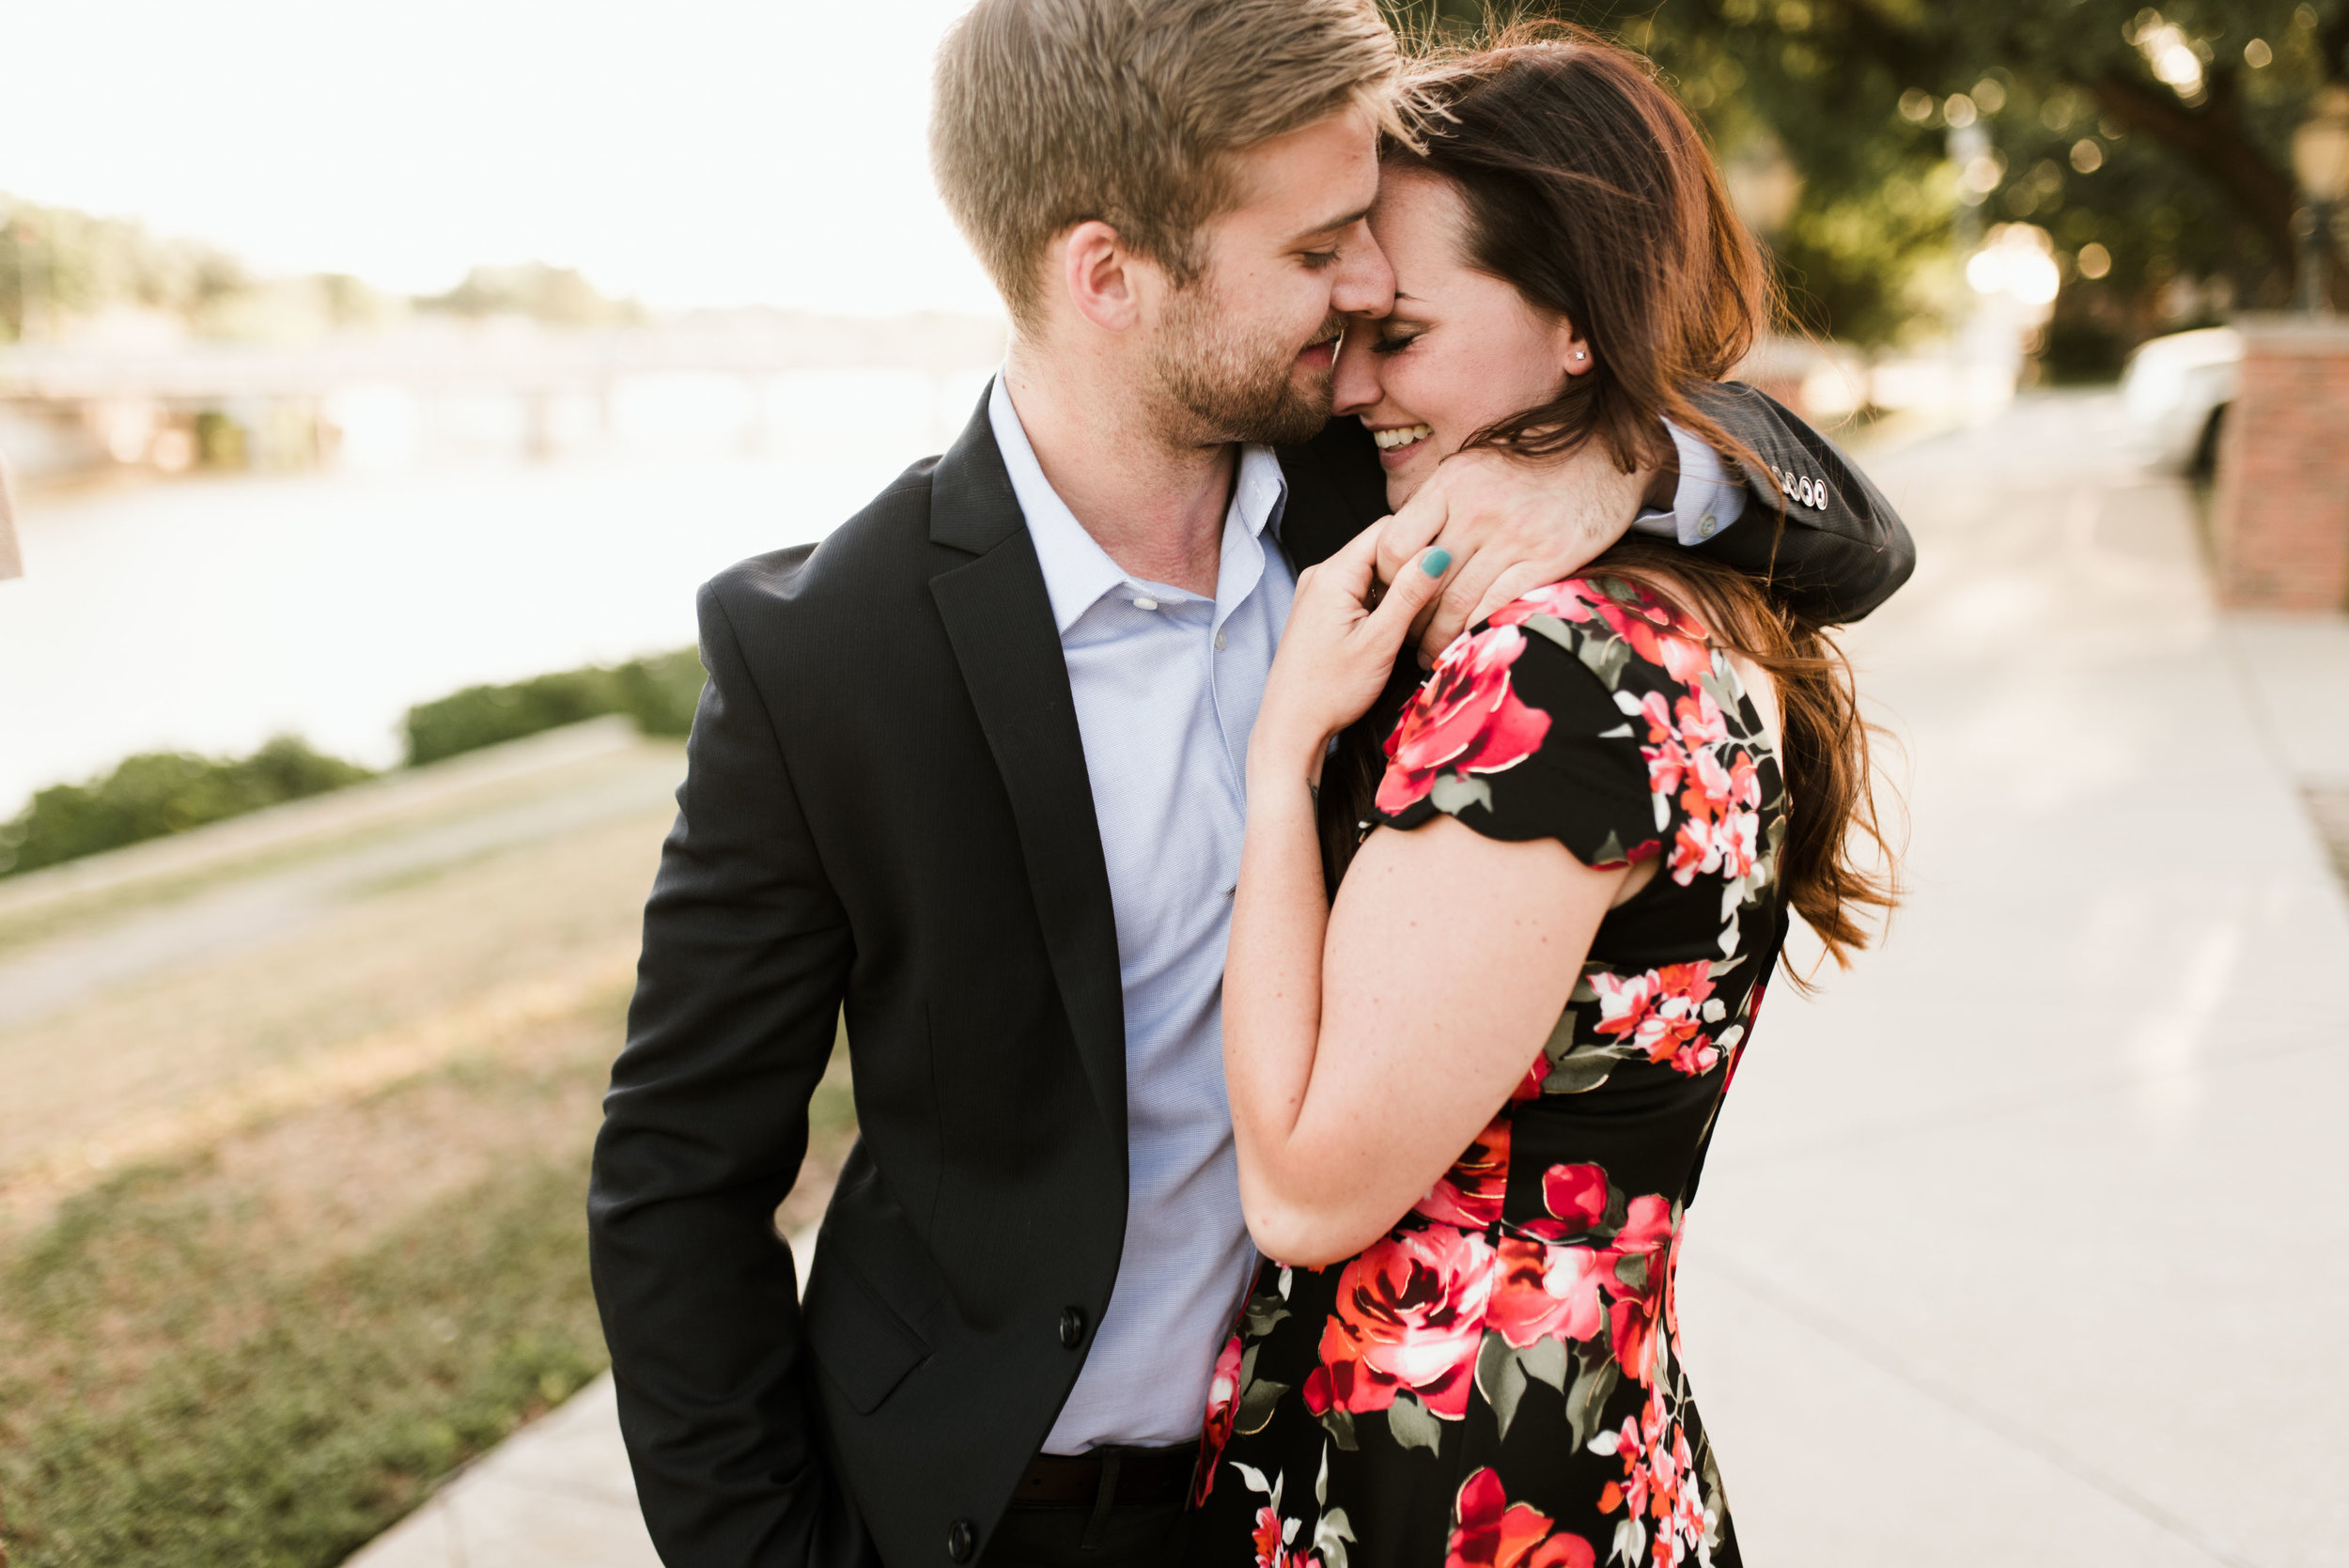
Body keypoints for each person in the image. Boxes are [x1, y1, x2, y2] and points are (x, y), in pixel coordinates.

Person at [585, 5, 1911, 1568]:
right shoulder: (826, 653)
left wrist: (1612, 453)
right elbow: (675, 1178)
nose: (1364, 287)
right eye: (1317, 249)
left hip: (1320, 1477)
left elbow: (1857, 535)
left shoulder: (1408, 483)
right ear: (1110, 275)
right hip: (987, 1512)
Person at [1192, 29, 1897, 1568]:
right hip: (1591, 1452)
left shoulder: (1557, 668)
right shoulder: (1689, 607)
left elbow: (1307, 1189)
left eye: (1408, 332)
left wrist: (1275, 765)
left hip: (1453, 1494)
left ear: (1574, 322)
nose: (1352, 379)